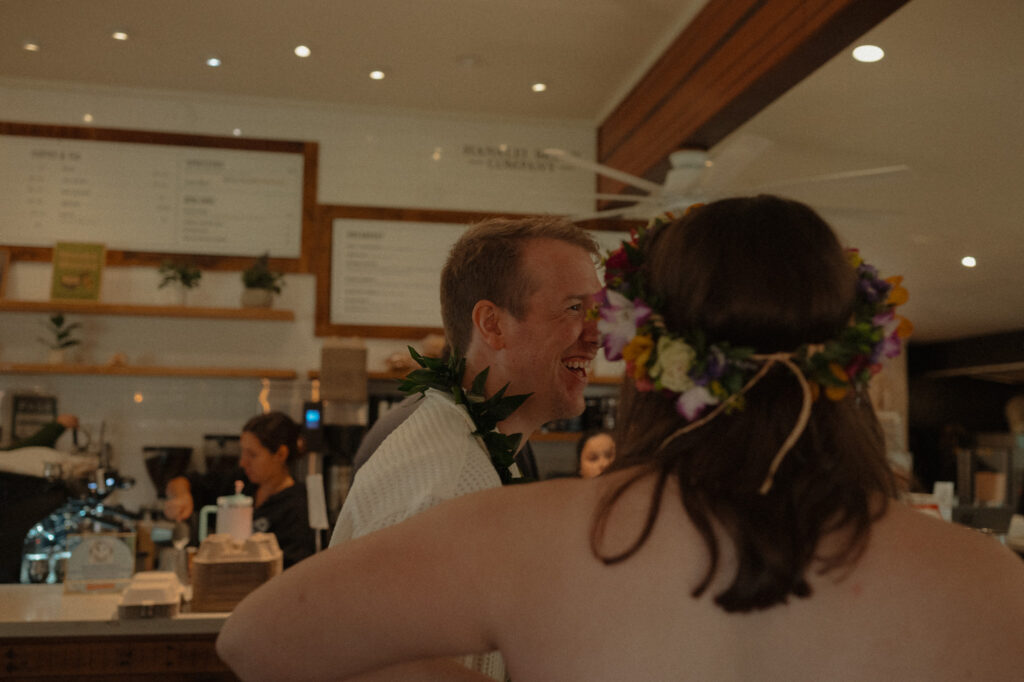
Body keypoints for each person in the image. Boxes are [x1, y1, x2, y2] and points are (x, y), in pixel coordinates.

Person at [218, 196, 1024, 681]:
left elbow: (255, 639)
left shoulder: (534, 539)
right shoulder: (987, 579)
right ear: (857, 356)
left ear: (646, 354)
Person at [325, 216, 601, 679]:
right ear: (492, 324)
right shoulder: (441, 492)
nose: (596, 336)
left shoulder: (478, 452)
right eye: (574, 308)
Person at [164, 411, 316, 568]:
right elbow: (181, 481)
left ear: (280, 454)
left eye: (252, 455)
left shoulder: (297, 507)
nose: (243, 462)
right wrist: (181, 496)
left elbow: (293, 572)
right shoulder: (240, 481)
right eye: (242, 452)